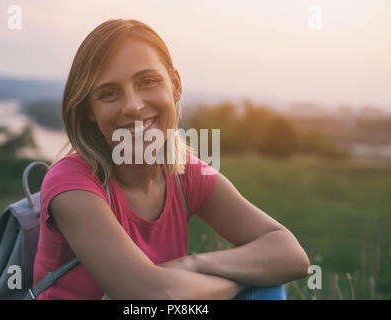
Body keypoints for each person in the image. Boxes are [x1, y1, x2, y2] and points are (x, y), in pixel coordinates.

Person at [32, 18, 310, 300]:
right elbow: (150, 296)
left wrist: (193, 264)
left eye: (148, 81)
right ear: (89, 110)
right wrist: (239, 286)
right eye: (108, 93)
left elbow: (291, 255)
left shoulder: (184, 175)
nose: (133, 105)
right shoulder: (71, 183)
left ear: (175, 85)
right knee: (261, 287)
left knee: (269, 289)